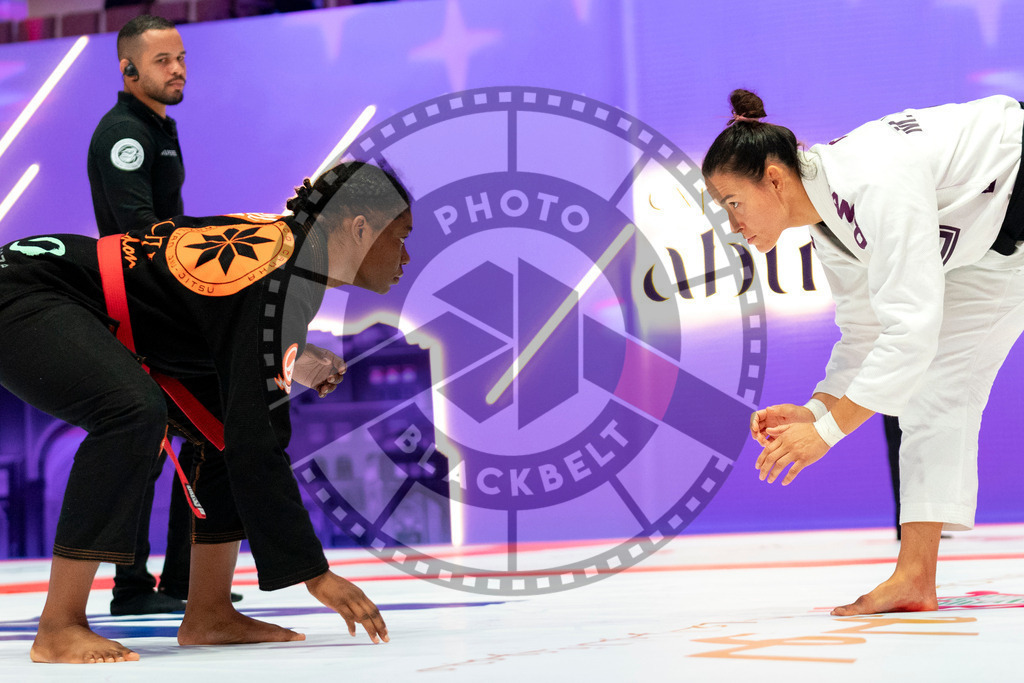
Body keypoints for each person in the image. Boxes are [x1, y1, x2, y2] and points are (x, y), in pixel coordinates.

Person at [0, 160, 410, 663]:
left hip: (81, 299)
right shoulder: (280, 281)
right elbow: (259, 437)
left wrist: (295, 358)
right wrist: (314, 572)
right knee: (133, 410)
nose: (406, 256)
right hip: (28, 287)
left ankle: (210, 614)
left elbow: (209, 327)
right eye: (401, 236)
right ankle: (59, 625)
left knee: (218, 429)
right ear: (361, 228)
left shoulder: (286, 253)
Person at [702, 89, 1024, 616]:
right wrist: (817, 409)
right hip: (994, 245)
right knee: (932, 392)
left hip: (1015, 182)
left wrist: (826, 434)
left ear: (775, 179)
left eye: (733, 202)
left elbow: (910, 332)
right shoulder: (827, 226)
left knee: (920, 360)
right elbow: (865, 333)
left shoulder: (872, 180)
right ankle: (915, 577)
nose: (733, 225)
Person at [87, 14, 192, 616]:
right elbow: (141, 235)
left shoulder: (157, 127)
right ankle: (132, 588)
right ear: (128, 70)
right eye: (162, 61)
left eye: (180, 58)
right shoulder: (125, 134)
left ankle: (179, 581)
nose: (177, 69)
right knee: (149, 446)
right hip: (140, 310)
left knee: (190, 438)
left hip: (159, 304)